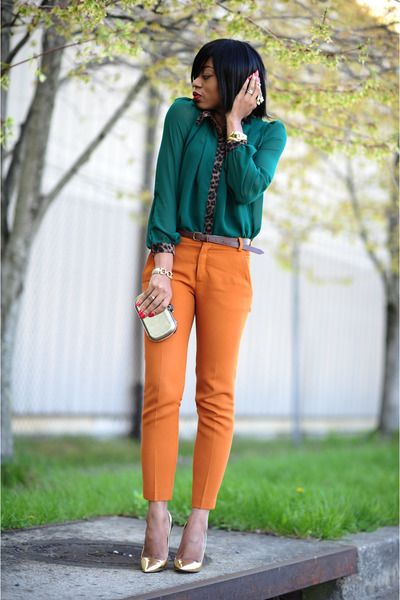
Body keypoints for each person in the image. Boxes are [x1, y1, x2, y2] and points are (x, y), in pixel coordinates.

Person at [135, 38, 287, 573]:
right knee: (162, 390)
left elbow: (248, 190)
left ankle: (198, 519)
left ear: (237, 79)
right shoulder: (181, 116)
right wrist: (159, 262)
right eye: (194, 75)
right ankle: (157, 513)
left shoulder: (270, 134)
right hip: (171, 259)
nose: (195, 85)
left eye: (206, 76)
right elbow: (166, 189)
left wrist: (237, 126)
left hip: (230, 267)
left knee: (216, 396)